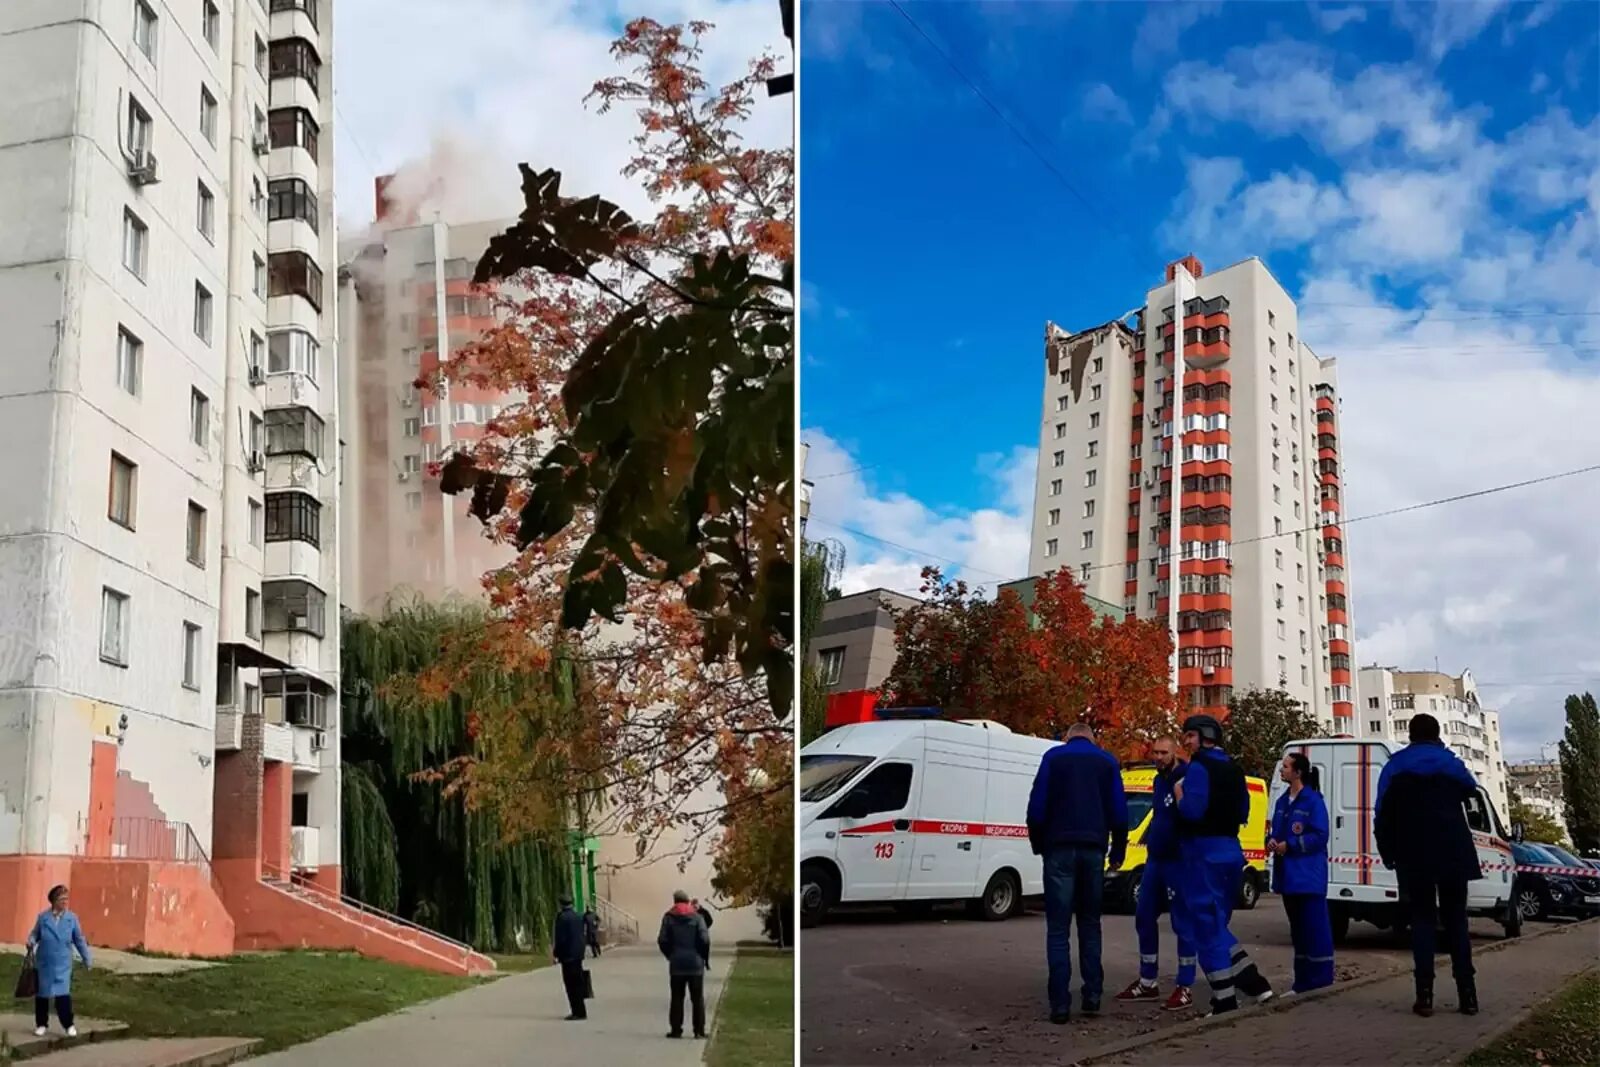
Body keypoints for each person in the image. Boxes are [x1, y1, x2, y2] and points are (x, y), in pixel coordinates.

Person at [1374, 713, 1482, 1017]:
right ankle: (1468, 996)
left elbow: (1381, 813)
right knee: (1457, 922)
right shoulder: (1450, 763)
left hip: (1413, 853)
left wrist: (1387, 851)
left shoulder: (1395, 766)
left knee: (1421, 922)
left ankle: (1424, 997)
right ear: (1436, 735)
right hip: (1452, 850)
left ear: (1409, 734)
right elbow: (1470, 790)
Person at [1026, 721, 1127, 1024]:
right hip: (1093, 850)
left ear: (1068, 737)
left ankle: (1059, 1004)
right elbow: (1119, 812)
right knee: (1090, 924)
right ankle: (1093, 995)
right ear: (1093, 738)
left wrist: (1039, 845)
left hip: (1058, 850)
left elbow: (1036, 809)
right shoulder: (1107, 762)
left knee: (1058, 929)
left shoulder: (1053, 758)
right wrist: (1118, 852)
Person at [1173, 714, 1274, 1015]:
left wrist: (1179, 793)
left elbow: (1191, 811)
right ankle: (1255, 984)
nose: (1186, 742)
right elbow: (1244, 809)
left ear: (1204, 736)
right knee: (1216, 924)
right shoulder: (1234, 768)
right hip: (1232, 852)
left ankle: (1225, 1000)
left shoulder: (1198, 768)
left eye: (1189, 736)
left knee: (1206, 928)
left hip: (1204, 854)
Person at [1115, 737, 1196, 1011]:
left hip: (1178, 861)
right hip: (1156, 859)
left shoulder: (1186, 777)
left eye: (1164, 753)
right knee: (1143, 916)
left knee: (1182, 923)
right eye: (1156, 752)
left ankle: (1185, 986)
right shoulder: (1159, 780)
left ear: (1175, 753)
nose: (1158, 757)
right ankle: (1148, 981)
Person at [1269, 752, 1334, 994]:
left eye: (1285, 767)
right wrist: (1272, 841)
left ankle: (1321, 979)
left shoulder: (1312, 801)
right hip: (1288, 877)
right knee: (1297, 931)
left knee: (1314, 929)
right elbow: (1276, 830)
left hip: (1308, 876)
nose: (1281, 770)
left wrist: (1292, 845)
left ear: (1298, 772)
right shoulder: (1282, 801)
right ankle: (1302, 982)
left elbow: (1320, 836)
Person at [26, 884, 91, 1038]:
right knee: (42, 995)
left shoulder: (72, 919)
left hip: (62, 963)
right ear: (54, 901)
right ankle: (41, 1024)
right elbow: (35, 934)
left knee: (63, 996)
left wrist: (86, 958)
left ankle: (68, 1025)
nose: (65, 902)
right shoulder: (43, 918)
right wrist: (31, 941)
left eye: (66, 899)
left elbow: (79, 940)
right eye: (62, 899)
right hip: (45, 962)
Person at [658, 889, 710, 1039]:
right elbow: (705, 939)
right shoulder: (697, 918)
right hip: (695, 965)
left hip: (676, 965)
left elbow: (662, 940)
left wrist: (670, 955)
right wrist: (702, 956)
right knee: (697, 998)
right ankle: (698, 1031)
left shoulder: (668, 918)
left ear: (674, 901)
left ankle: (676, 1030)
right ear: (687, 901)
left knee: (677, 997)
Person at [551, 895, 588, 1021]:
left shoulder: (561, 918)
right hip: (578, 955)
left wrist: (556, 954)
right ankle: (582, 1011)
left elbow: (560, 938)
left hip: (567, 956)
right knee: (578, 983)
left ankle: (576, 1012)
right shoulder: (578, 916)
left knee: (571, 985)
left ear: (561, 904)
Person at [692, 897, 713, 969]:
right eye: (693, 905)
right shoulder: (691, 913)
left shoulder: (704, 912)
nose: (694, 907)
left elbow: (710, 920)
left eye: (695, 905)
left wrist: (705, 927)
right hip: (694, 933)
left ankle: (706, 962)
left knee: (706, 946)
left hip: (703, 932)